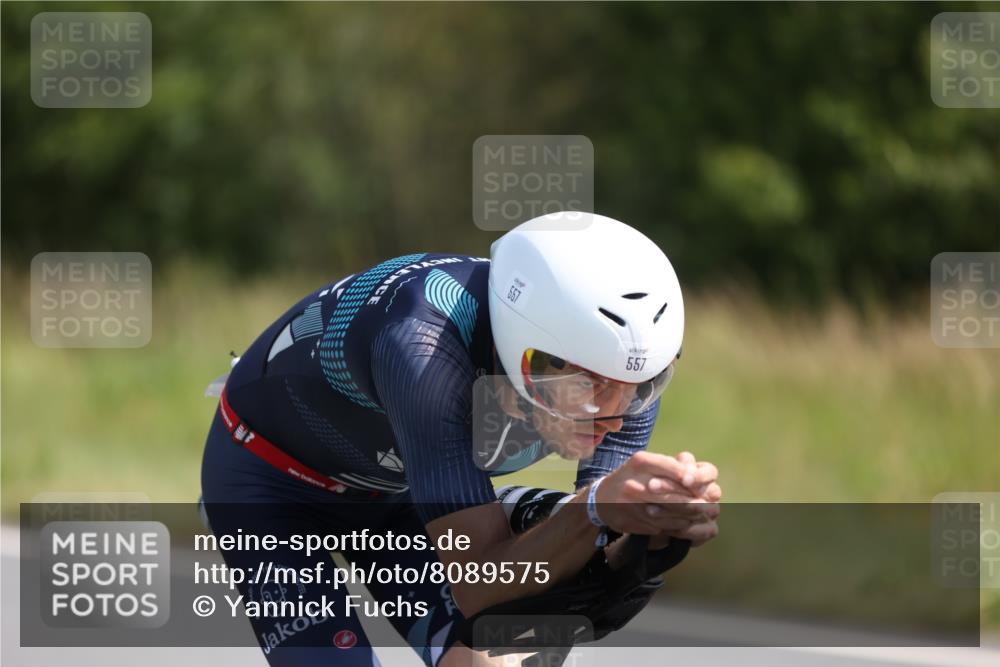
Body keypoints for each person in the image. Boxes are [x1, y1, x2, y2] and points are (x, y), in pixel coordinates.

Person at [200, 211, 722, 667]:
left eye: (643, 386)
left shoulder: (626, 373)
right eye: (587, 386)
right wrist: (591, 509)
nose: (612, 415)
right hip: (270, 484)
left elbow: (596, 571)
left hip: (401, 491)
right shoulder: (422, 347)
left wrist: (656, 528)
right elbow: (478, 588)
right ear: (529, 351)